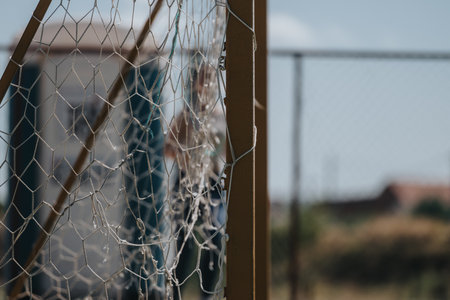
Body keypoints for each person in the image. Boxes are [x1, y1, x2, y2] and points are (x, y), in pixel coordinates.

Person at [165, 54, 226, 299]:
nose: (206, 83)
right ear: (195, 83)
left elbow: (227, 151)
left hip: (211, 183)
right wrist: (186, 157)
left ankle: (207, 296)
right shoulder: (186, 114)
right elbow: (167, 148)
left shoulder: (222, 115)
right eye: (201, 78)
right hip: (187, 182)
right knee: (185, 244)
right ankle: (177, 294)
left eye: (210, 77)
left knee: (215, 241)